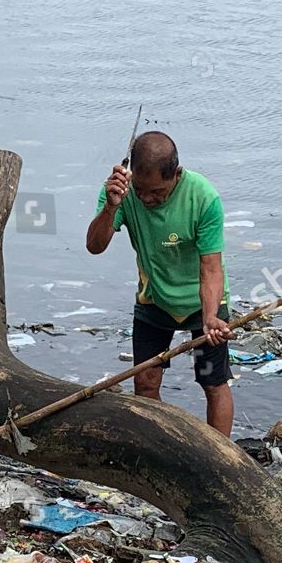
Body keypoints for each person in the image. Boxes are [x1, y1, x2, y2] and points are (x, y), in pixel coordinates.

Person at [85, 131, 234, 436]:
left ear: (176, 175)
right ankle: (159, 446)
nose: (147, 199)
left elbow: (211, 268)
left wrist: (209, 318)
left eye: (157, 192)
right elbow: (94, 246)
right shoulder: (121, 191)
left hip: (202, 302)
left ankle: (223, 459)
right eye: (140, 190)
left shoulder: (203, 197)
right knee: (146, 382)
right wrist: (111, 207)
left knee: (212, 381)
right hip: (154, 301)